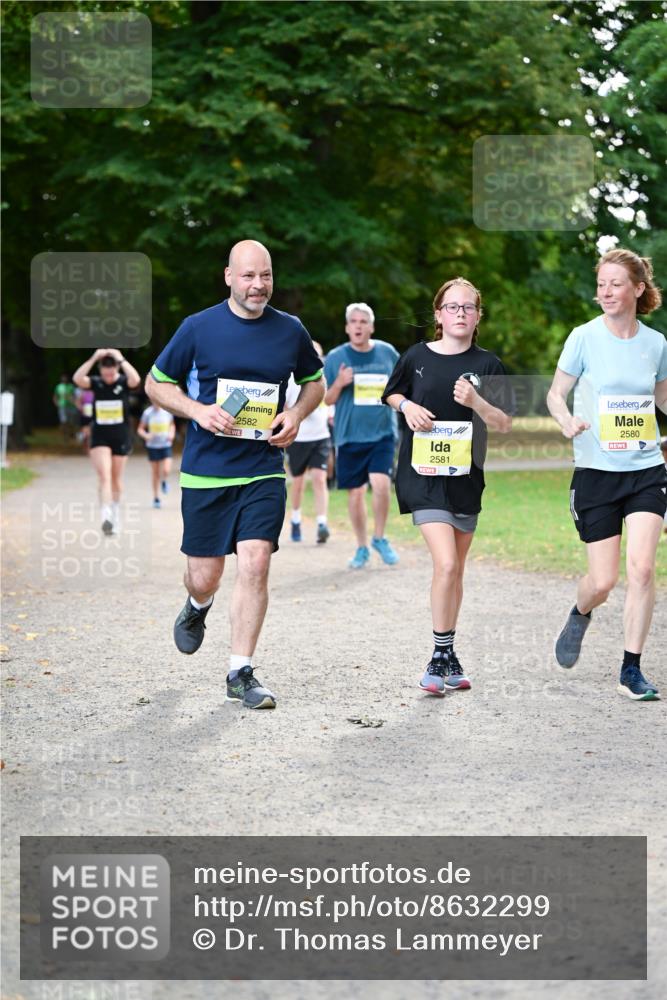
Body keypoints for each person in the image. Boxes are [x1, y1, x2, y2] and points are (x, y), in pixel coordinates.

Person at [145, 240, 324, 710]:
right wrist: (197, 411)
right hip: (206, 471)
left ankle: (239, 671)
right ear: (228, 276)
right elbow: (156, 382)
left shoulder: (290, 330)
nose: (258, 285)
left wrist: (296, 415)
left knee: (256, 563)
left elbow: (315, 382)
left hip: (263, 469)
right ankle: (196, 606)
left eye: (265, 275)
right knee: (204, 577)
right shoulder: (198, 327)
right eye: (248, 276)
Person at [547, 248, 667, 701]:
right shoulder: (583, 337)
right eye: (601, 284)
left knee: (641, 567)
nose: (606, 292)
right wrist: (565, 421)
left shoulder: (656, 344)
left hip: (645, 470)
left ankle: (631, 670)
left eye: (616, 284)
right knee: (603, 582)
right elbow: (556, 394)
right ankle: (581, 611)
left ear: (638, 289)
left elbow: (663, 400)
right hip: (597, 473)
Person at [383, 277, 512, 696]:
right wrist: (407, 406)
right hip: (422, 475)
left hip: (466, 478)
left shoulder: (489, 364)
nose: (460, 313)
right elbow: (391, 394)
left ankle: (449, 651)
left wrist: (476, 401)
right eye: (453, 307)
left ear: (478, 316)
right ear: (438, 315)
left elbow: (504, 422)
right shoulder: (417, 356)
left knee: (456, 571)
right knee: (448, 565)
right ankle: (438, 657)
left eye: (468, 307)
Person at [324, 303, 400, 568]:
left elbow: (402, 385)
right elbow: (326, 398)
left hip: (382, 433)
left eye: (363, 321)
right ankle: (361, 546)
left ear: (372, 327)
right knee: (355, 494)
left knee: (380, 484)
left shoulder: (387, 353)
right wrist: (340, 382)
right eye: (353, 321)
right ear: (347, 328)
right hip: (348, 436)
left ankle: (380, 537)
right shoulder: (335, 358)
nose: (358, 326)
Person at [72, 349, 142, 534]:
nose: (108, 377)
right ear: (100, 371)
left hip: (121, 436)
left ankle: (116, 514)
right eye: (105, 373)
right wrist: (94, 357)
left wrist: (121, 358)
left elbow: (135, 380)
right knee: (104, 476)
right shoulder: (95, 382)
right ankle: (106, 515)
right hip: (100, 436)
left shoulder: (122, 381)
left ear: (117, 369)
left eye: (111, 373)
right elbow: (78, 379)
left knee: (116, 478)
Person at [285, 341, 331, 543]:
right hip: (299, 437)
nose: (317, 359)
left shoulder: (323, 379)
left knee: (320, 478)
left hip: (321, 436)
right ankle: (295, 519)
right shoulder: (292, 379)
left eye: (320, 356)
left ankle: (322, 523)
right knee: (298, 482)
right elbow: (285, 407)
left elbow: (329, 403)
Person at [137, 403, 176, 508]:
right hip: (152, 447)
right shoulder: (147, 413)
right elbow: (140, 429)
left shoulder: (167, 411)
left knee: (166, 470)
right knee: (155, 473)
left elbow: (172, 425)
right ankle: (156, 497)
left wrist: (171, 434)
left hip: (165, 445)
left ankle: (164, 481)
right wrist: (146, 435)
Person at [52, 374, 77, 442]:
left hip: (71, 406)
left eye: (65, 378)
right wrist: (56, 403)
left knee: (71, 422)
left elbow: (74, 396)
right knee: (64, 421)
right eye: (63, 378)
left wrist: (73, 401)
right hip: (62, 406)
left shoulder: (71, 386)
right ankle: (65, 436)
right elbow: (55, 396)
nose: (64, 379)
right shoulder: (58, 387)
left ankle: (72, 433)